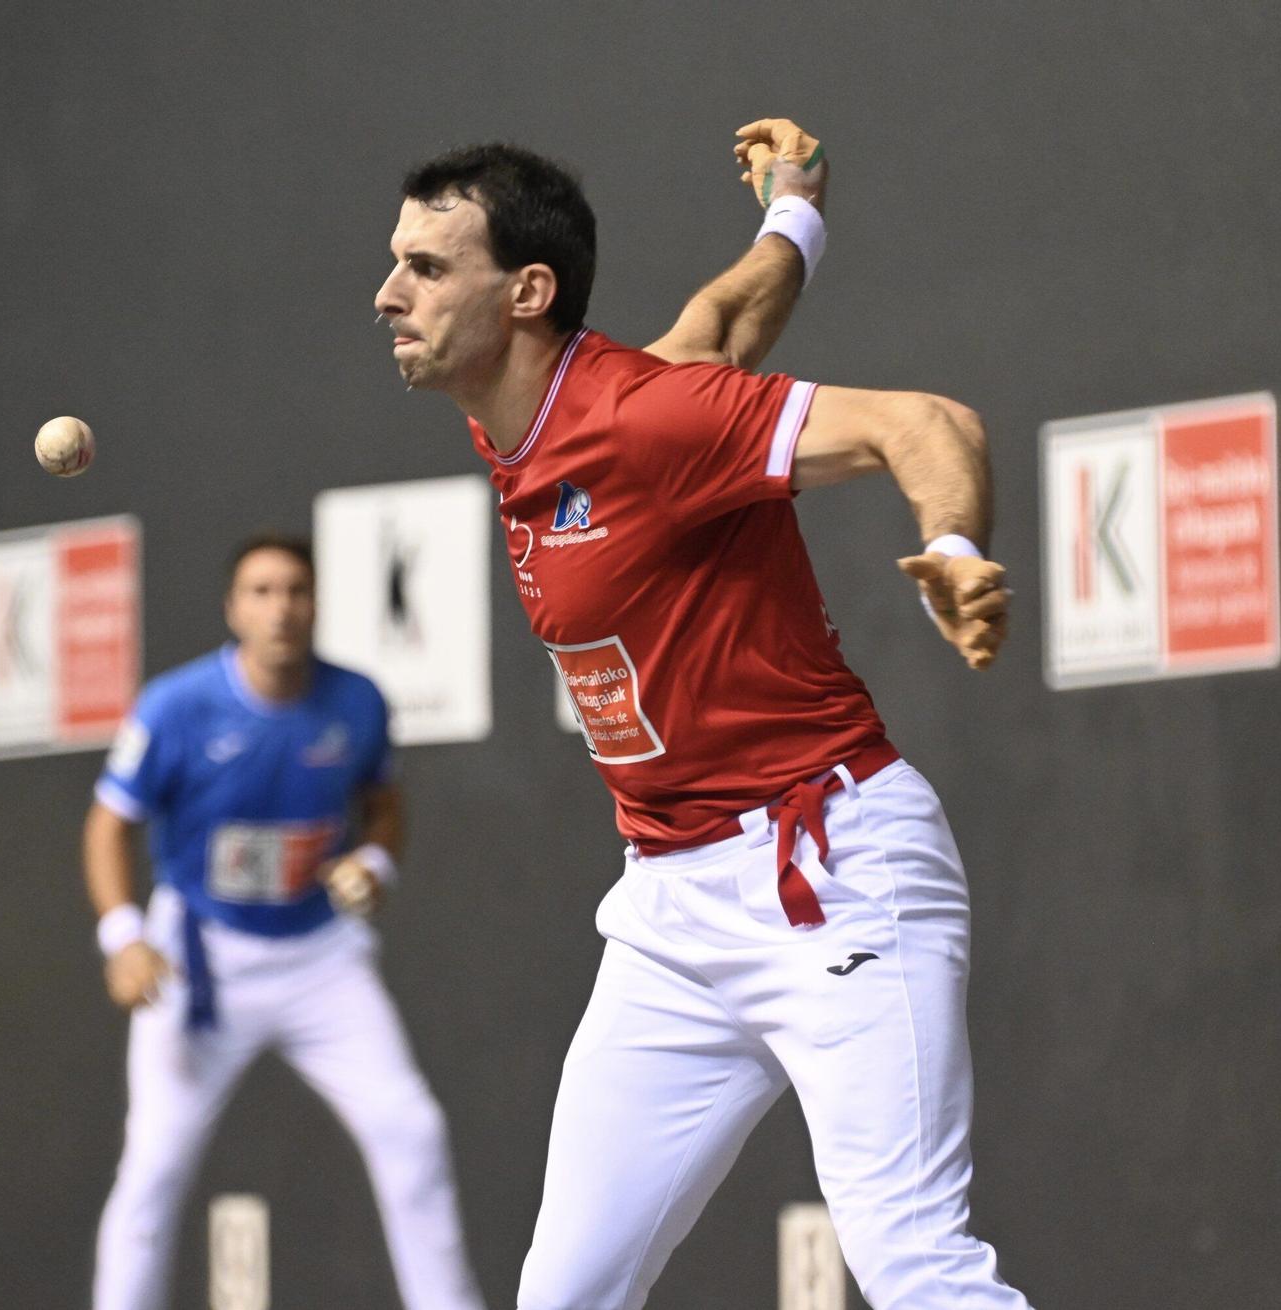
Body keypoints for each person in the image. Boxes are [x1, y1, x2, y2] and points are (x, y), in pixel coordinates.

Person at [372, 120, 1029, 1309]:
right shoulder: (548, 414)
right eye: (393, 261)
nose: (388, 293)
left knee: (914, 1265)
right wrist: (795, 213)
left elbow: (924, 423)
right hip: (672, 909)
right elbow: (725, 322)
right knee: (562, 1293)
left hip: (829, 865)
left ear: (527, 291)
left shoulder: (639, 419)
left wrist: (950, 543)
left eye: (424, 267)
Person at [83, 535, 484, 1310]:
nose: (281, 608)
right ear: (234, 609)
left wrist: (374, 865)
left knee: (412, 1130)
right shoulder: (176, 707)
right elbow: (107, 826)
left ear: (316, 604)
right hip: (199, 960)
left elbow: (384, 807)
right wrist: (123, 936)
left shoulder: (358, 702)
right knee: (156, 1165)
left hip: (321, 961)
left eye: (296, 590)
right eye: (262, 592)